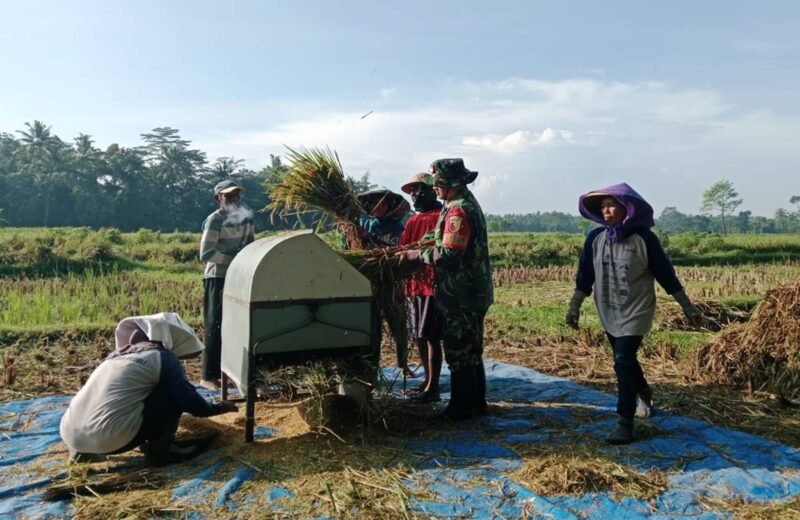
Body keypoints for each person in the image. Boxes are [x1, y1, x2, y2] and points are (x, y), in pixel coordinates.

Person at [565, 183, 702, 445]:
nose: (606, 210)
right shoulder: (595, 239)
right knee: (624, 360)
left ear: (626, 208)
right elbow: (585, 274)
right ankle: (643, 391)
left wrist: (687, 306)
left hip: (636, 308)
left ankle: (624, 421)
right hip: (608, 308)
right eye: (603, 206)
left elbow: (665, 275)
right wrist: (575, 306)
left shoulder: (644, 240)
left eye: (611, 205)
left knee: (623, 359)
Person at [60, 313, 238, 466]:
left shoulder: (112, 359)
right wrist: (217, 408)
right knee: (171, 394)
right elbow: (187, 399)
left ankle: (80, 453)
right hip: (112, 438)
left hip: (70, 434)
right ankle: (160, 453)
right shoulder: (163, 357)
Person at [397, 158, 493, 420]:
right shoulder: (457, 205)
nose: (435, 189)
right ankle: (476, 404)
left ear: (451, 184)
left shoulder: (458, 211)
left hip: (462, 292)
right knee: (471, 349)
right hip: (470, 290)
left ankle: (462, 408)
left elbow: (449, 253)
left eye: (438, 184)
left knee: (459, 349)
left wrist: (417, 255)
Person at [200, 180, 255, 390]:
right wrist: (236, 259)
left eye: (236, 196)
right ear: (218, 198)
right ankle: (208, 376)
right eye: (228, 196)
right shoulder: (214, 220)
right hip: (217, 277)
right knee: (215, 324)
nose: (234, 200)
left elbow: (250, 245)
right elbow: (206, 254)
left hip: (239, 277)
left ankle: (229, 372)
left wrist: (247, 262)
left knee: (236, 324)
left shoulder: (246, 218)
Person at [398, 173, 444, 402]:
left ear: (431, 190)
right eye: (412, 191)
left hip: (431, 284)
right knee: (418, 335)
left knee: (431, 335)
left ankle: (433, 387)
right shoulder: (413, 221)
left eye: (419, 190)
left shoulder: (441, 217)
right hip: (414, 285)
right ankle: (427, 380)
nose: (415, 195)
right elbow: (402, 249)